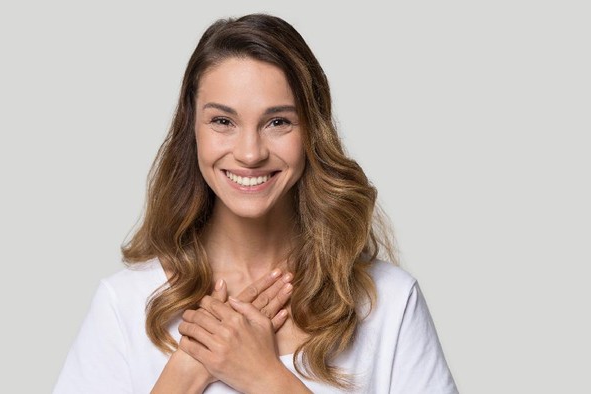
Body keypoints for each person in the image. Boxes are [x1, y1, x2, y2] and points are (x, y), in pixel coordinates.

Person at [54, 13, 457, 393]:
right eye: (223, 121)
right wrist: (183, 374)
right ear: (191, 130)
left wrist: (266, 378)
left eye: (278, 121)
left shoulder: (387, 302)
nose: (250, 154)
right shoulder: (124, 304)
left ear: (312, 132)